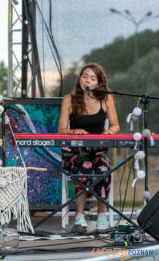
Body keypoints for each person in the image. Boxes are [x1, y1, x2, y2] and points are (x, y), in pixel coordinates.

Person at [58, 63, 120, 232]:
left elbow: (115, 126)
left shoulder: (106, 99)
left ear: (99, 83)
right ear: (79, 80)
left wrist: (109, 132)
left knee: (103, 169)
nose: (88, 80)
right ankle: (79, 217)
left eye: (93, 78)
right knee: (84, 167)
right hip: (75, 151)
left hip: (97, 150)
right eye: (85, 76)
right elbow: (61, 130)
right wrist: (74, 131)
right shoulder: (69, 100)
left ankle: (102, 213)